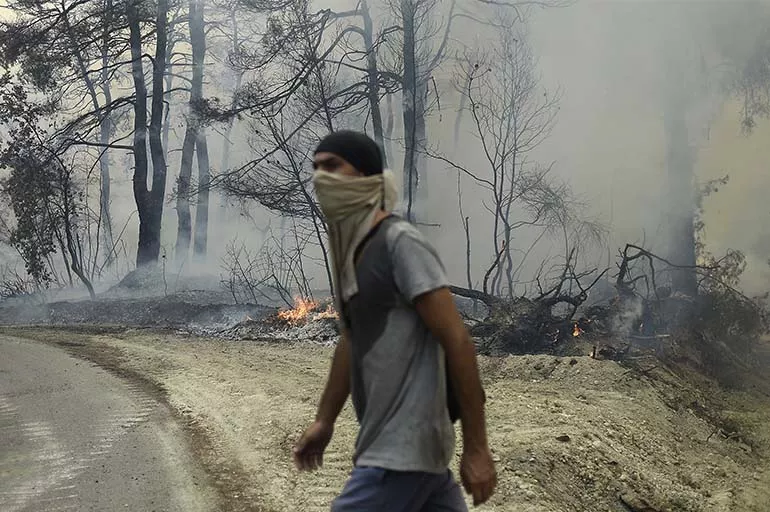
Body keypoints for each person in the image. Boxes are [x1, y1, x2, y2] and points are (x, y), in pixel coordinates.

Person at [292, 130, 496, 511]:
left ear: (367, 176)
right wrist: (324, 420)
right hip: (407, 454)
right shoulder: (355, 251)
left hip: (400, 450)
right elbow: (351, 340)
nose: (321, 178)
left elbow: (458, 341)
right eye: (316, 169)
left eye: (333, 166)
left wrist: (478, 447)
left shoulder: (400, 242)